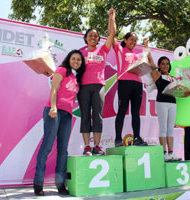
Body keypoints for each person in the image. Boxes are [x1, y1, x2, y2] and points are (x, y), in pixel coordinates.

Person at [33, 50, 86, 196]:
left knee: (63, 150)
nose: (76, 61)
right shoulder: (62, 70)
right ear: (69, 59)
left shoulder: (77, 79)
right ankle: (38, 183)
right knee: (47, 145)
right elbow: (54, 89)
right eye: (74, 58)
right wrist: (54, 107)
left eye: (79, 60)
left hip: (67, 115)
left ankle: (60, 185)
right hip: (54, 111)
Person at [78, 8, 116, 155]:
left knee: (98, 117)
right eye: (90, 35)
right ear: (86, 38)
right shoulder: (80, 52)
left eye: (95, 36)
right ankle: (87, 146)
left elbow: (112, 34)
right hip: (84, 87)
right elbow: (72, 65)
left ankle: (97, 146)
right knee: (86, 115)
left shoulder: (102, 51)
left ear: (98, 39)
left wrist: (111, 18)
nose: (93, 38)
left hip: (99, 86)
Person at [113, 32, 155, 147]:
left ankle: (137, 137)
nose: (133, 42)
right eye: (131, 39)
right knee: (122, 110)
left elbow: (150, 61)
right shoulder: (120, 50)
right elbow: (112, 36)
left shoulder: (137, 55)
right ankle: (117, 139)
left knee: (135, 112)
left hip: (137, 84)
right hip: (124, 82)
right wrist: (112, 19)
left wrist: (146, 44)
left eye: (135, 40)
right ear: (125, 40)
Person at [151, 56, 181, 161]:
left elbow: (180, 92)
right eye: (163, 64)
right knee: (163, 128)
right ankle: (164, 153)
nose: (165, 66)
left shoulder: (173, 78)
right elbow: (151, 63)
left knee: (170, 129)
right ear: (159, 65)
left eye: (167, 64)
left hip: (172, 103)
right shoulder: (156, 74)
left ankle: (171, 153)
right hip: (161, 102)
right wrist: (146, 47)